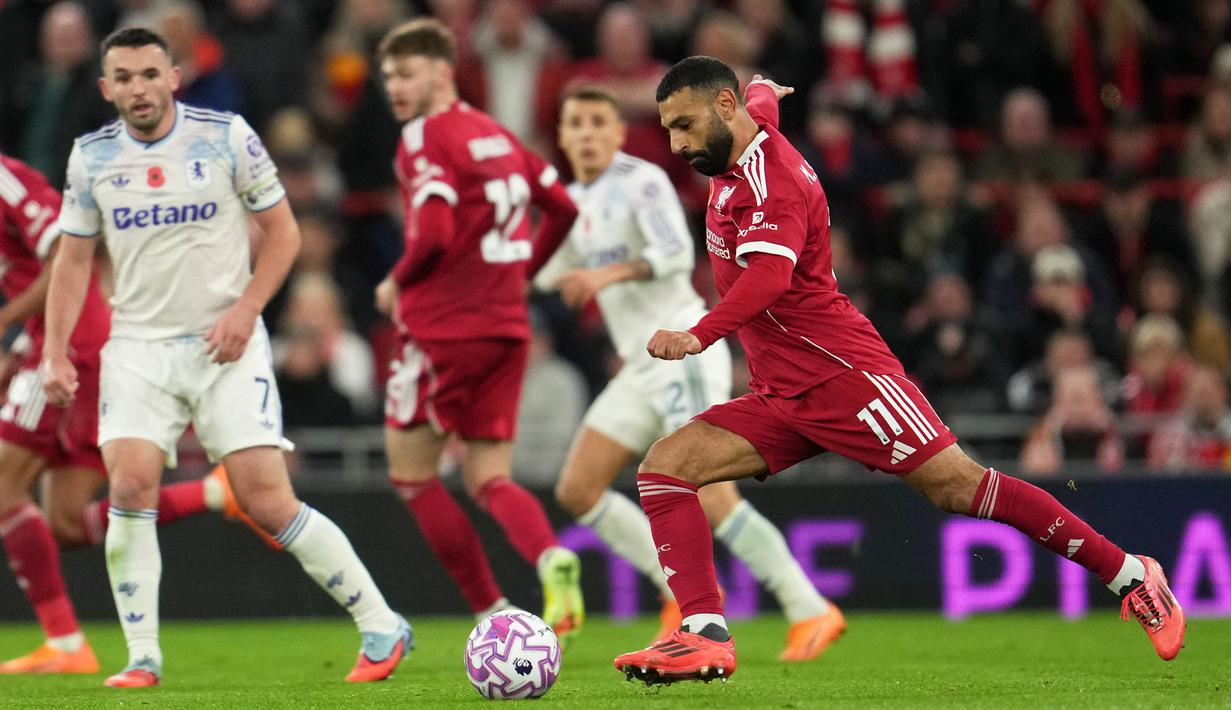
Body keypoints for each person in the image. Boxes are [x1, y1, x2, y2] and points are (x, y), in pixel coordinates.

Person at [612, 56, 1186, 684]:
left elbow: (770, 280)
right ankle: (703, 632)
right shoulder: (743, 134)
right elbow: (762, 107)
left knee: (960, 488)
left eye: (685, 126)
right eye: (669, 130)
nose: (678, 144)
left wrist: (698, 335)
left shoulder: (771, 181)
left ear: (723, 109)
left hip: (847, 375)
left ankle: (1133, 576)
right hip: (782, 392)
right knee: (666, 468)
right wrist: (764, 90)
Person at [42, 27, 409, 688]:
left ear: (173, 77)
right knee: (128, 484)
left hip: (225, 343)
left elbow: (284, 233)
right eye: (123, 77)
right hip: (138, 346)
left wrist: (247, 310)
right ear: (107, 89)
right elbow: (71, 261)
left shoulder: (225, 135)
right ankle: (142, 657)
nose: (139, 88)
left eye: (149, 74)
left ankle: (382, 622)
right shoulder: (90, 157)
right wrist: (54, 353)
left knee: (265, 499)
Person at [538, 86, 844, 661]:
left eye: (595, 122)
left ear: (616, 132)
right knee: (577, 488)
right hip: (636, 366)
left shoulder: (642, 181)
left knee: (710, 495)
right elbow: (543, 270)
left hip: (681, 347)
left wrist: (603, 279)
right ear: (560, 135)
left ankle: (808, 607)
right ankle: (676, 591)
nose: (584, 133)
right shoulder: (569, 203)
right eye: (572, 122)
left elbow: (678, 255)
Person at [373, 19, 585, 640]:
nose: (395, 88)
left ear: (442, 72)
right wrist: (524, 273)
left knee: (412, 477)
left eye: (406, 74)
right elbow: (563, 207)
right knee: (490, 477)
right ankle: (551, 556)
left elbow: (435, 232)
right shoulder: (497, 135)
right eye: (388, 77)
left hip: (444, 329)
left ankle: (491, 611)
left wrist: (397, 280)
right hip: (507, 327)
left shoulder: (423, 138)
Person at [0, 153, 246, 674]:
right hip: (64, 345)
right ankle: (216, 490)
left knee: (2, 488)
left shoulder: (8, 180)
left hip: (71, 352)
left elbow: (66, 252)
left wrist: (14, 329)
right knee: (65, 523)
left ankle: (65, 641)